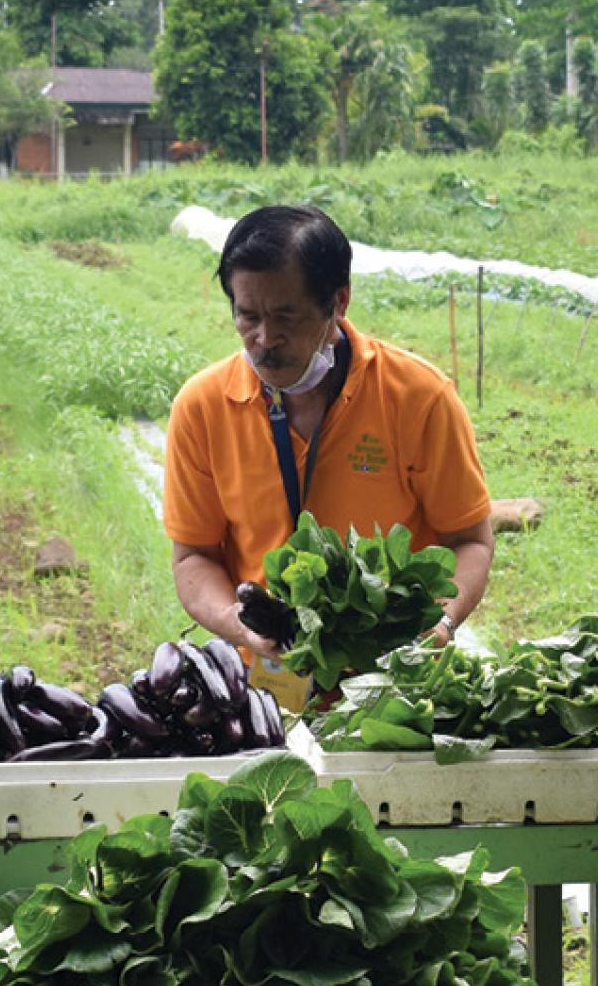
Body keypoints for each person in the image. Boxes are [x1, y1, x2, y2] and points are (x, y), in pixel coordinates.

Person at [162, 204, 495, 696]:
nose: (265, 339)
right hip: (264, 685)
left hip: (394, 685)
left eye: (286, 317)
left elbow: (470, 540)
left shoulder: (418, 398)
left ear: (338, 301)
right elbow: (193, 556)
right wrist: (240, 626)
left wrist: (437, 628)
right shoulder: (203, 407)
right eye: (247, 316)